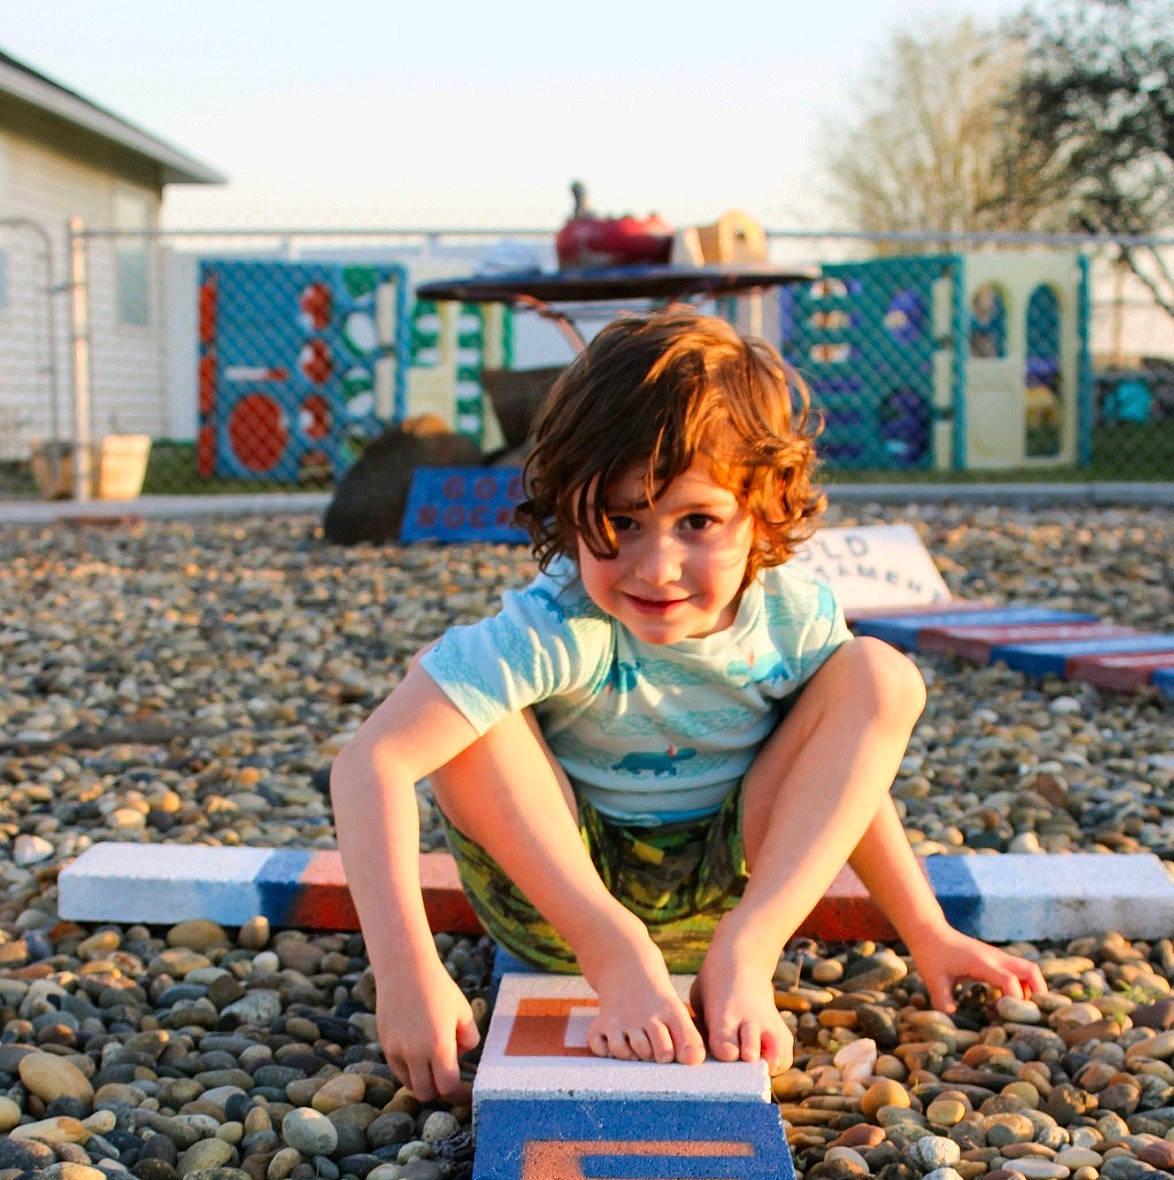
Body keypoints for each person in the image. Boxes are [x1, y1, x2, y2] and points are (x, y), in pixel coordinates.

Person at [331, 307, 1045, 1101]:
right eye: (621, 521)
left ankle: (745, 955)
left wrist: (928, 932)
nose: (655, 565)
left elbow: (843, 785)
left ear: (764, 507)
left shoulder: (790, 617)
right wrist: (403, 971)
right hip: (560, 903)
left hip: (725, 896)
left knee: (878, 675)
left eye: (696, 521)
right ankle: (618, 955)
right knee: (455, 689)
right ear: (568, 505)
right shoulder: (559, 623)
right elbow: (372, 763)